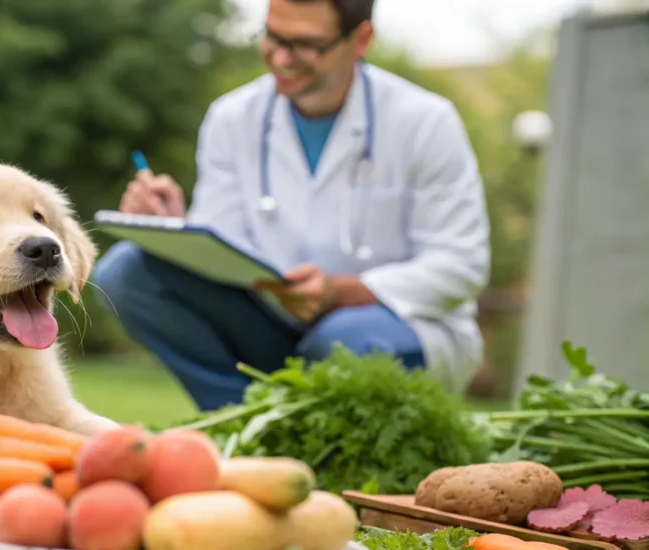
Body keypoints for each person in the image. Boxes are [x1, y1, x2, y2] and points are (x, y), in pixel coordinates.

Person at [91, 0, 490, 412]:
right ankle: (239, 420)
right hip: (273, 322)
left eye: (305, 44)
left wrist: (341, 293)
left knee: (342, 339)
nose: (280, 58)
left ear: (361, 40)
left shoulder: (425, 122)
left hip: (395, 330)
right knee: (126, 272)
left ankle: (282, 433)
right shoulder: (232, 118)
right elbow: (226, 247)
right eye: (272, 37)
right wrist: (178, 229)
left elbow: (460, 265)